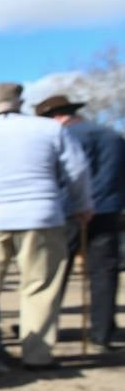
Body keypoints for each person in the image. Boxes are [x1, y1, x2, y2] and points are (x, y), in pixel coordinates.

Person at [0, 82, 92, 370]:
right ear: (19, 102)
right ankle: (37, 356)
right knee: (40, 288)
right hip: (42, 217)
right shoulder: (49, 130)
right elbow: (77, 171)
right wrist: (82, 205)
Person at [35, 93, 124, 350]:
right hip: (109, 210)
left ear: (57, 117)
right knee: (104, 272)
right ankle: (102, 332)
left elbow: (71, 175)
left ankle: (43, 327)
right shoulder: (112, 135)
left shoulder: (71, 136)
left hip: (73, 211)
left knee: (55, 270)